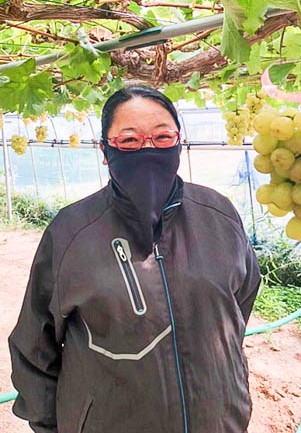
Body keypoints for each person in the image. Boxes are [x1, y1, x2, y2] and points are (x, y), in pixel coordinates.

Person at [8, 86, 261, 433]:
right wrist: (50, 425)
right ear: (105, 150)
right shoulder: (71, 232)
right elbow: (35, 344)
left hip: (219, 421)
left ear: (179, 142)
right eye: (129, 142)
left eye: (162, 137)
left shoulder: (219, 214)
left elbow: (241, 299)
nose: (148, 149)